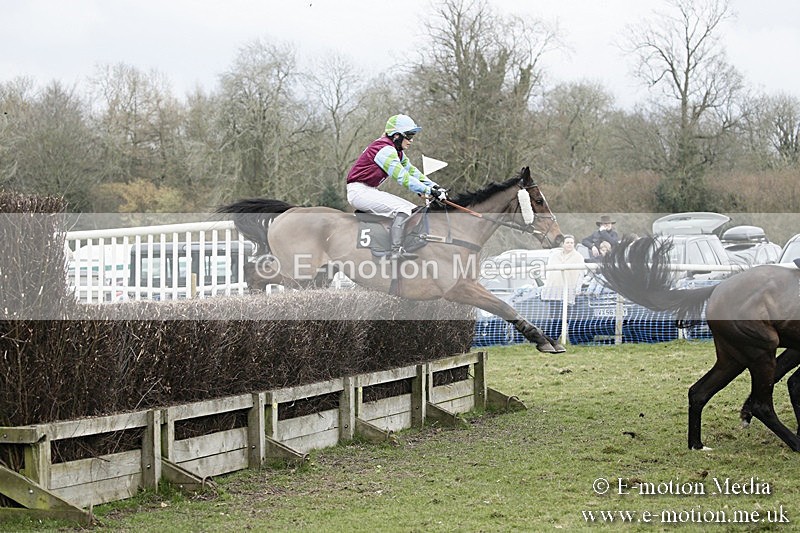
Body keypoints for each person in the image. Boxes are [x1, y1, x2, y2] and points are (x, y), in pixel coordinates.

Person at [346, 114, 447, 260]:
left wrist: (435, 187)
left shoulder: (396, 151)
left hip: (368, 190)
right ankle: (396, 251)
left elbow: (412, 172)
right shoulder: (384, 150)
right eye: (409, 136)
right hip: (359, 191)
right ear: (397, 136)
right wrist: (428, 191)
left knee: (414, 211)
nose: (411, 141)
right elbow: (403, 177)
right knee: (404, 209)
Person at [542, 234, 586, 305]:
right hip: (554, 290)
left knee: (567, 313)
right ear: (563, 244)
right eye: (567, 243)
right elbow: (548, 272)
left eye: (571, 243)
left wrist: (578, 289)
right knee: (554, 313)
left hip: (568, 290)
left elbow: (581, 274)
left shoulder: (578, 257)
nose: (570, 245)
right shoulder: (554, 256)